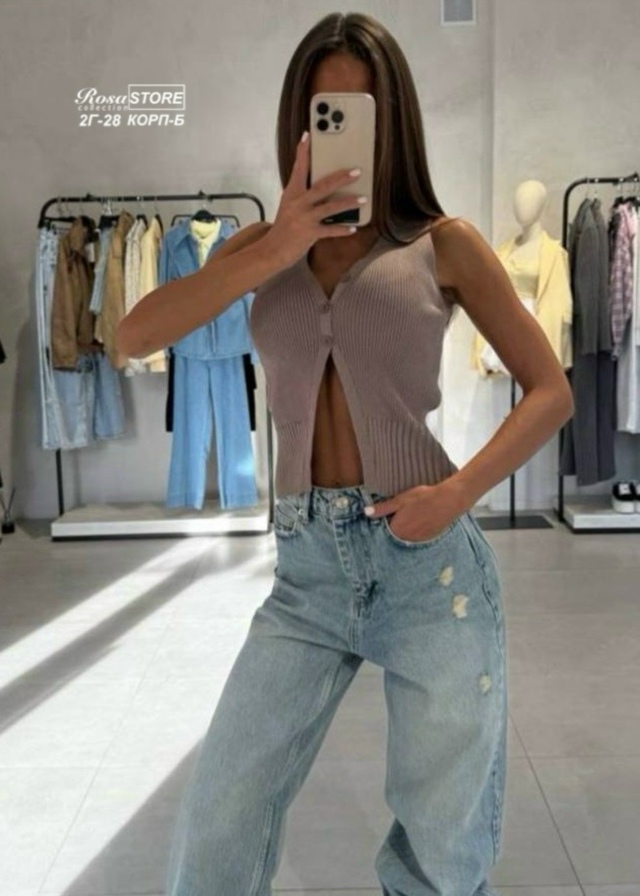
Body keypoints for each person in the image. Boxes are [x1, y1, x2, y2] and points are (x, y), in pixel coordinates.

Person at [117, 12, 574, 896]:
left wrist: (458, 494)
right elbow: (134, 335)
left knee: (438, 850)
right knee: (221, 817)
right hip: (307, 575)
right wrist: (280, 245)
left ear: (392, 121)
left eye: (359, 114)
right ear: (299, 124)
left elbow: (550, 388)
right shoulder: (261, 249)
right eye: (324, 114)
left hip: (430, 571)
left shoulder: (442, 243)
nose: (341, 136)